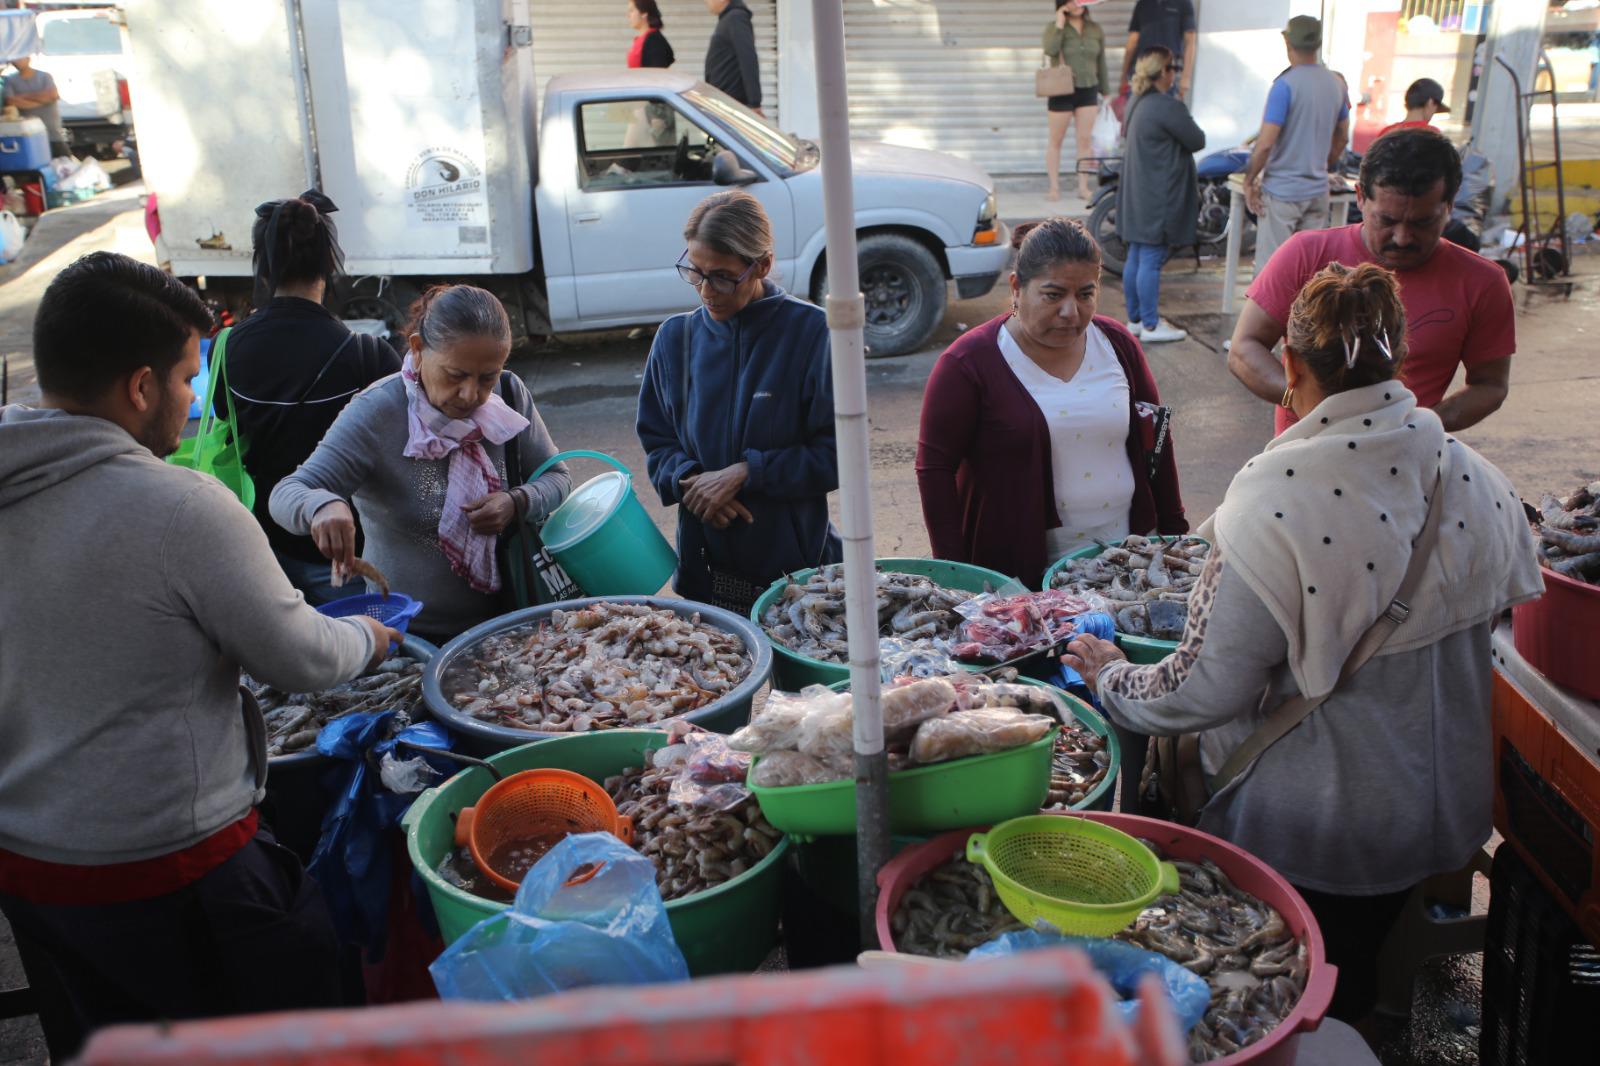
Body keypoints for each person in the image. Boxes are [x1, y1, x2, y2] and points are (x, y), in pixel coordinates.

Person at [1065, 261, 1543, 1027]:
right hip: (1444, 806)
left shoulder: (1276, 499)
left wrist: (1114, 675)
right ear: (1401, 361)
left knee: (1305, 994)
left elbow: (1201, 692)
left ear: (1289, 366)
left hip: (1319, 828)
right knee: (1358, 969)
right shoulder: (1474, 475)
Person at [0, 252, 400, 1060]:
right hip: (173, 873)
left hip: (32, 874)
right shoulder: (178, 505)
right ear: (140, 387)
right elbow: (302, 659)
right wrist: (371, 633)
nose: (191, 404)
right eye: (187, 380)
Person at [270, 285, 571, 644]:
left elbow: (557, 477)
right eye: (455, 375)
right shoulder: (378, 412)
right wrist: (322, 505)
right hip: (409, 636)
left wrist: (516, 501)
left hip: (510, 623)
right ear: (417, 349)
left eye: (486, 377)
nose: (471, 395)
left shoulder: (509, 395)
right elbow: (287, 493)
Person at [916, 218, 1186, 588]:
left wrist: (1174, 531)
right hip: (1016, 572)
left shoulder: (1117, 345)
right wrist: (955, 572)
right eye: (1053, 295)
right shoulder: (969, 363)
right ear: (1016, 288)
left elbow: (1156, 439)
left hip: (1123, 559)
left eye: (1085, 295)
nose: (1071, 312)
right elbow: (934, 468)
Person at [1229, 127, 1514, 435]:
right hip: (1302, 460)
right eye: (1387, 220)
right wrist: (1304, 402)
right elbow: (1244, 347)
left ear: (1449, 204)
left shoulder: (1483, 282)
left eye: (1423, 222)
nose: (1403, 238)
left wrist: (1422, 424)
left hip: (1405, 460)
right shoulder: (1305, 253)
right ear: (1361, 198)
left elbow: (1490, 385)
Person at [636, 190, 840, 612]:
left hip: (798, 576)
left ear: (762, 265)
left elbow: (836, 456)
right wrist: (692, 481)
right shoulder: (675, 339)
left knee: (798, 682)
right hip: (704, 573)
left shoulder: (812, 334)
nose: (707, 291)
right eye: (695, 272)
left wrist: (748, 472)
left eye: (724, 276)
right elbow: (657, 442)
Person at [221, 191, 401, 604]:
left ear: (262, 265)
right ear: (329, 263)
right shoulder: (367, 354)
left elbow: (228, 423)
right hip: (346, 554)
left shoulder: (226, 347)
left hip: (263, 550)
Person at [1244, 16, 1350, 269]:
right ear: (1318, 43)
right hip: (1317, 192)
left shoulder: (1284, 85)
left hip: (1283, 193)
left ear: (1287, 42)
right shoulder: (1336, 84)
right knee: (1308, 272)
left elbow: (1266, 142)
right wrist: (1322, 164)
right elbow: (1343, 135)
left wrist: (1249, 181)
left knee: (1273, 273)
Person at [1116, 47, 1205, 344]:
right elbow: (1197, 139)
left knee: (1137, 257)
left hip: (1137, 192)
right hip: (1158, 195)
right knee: (1150, 259)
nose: (1175, 74)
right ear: (1163, 73)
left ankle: (1136, 320)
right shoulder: (1168, 107)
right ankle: (1152, 325)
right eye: (1172, 68)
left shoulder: (1135, 103)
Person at [1041, 0, 1108, 203]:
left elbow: (1101, 61)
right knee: (1056, 140)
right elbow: (1051, 50)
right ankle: (1054, 187)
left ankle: (1083, 187)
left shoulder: (1095, 29)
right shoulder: (1053, 28)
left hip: (1088, 88)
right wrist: (1060, 22)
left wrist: (1106, 91)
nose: (1077, 3)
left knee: (1085, 140)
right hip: (1061, 89)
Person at [1119, 0, 1197, 100]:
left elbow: (1190, 41)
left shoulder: (1183, 3)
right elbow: (1133, 40)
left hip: (1167, 73)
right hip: (1142, 71)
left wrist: (1186, 77)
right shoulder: (1142, 3)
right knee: (1137, 110)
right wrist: (1124, 75)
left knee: (1165, 112)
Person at [3, 55, 67, 159]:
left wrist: (23, 96)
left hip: (52, 132)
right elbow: (11, 101)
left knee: (63, 160)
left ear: (28, 59)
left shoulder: (45, 77)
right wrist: (41, 100)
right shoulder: (11, 80)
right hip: (29, 134)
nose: (16, 61)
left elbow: (53, 95)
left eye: (19, 58)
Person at [704, 0, 762, 114]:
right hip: (723, 103)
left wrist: (754, 103)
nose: (706, 2)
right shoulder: (728, 18)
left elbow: (747, 58)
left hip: (732, 105)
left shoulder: (736, 18)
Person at [1380, 77, 1449, 136]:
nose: (1433, 113)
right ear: (1430, 103)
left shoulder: (1386, 132)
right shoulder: (1433, 134)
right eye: (1436, 108)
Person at [627, 0, 675, 69]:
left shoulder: (655, 41)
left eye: (631, 10)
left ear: (644, 13)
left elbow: (656, 75)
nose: (628, 15)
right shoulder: (641, 39)